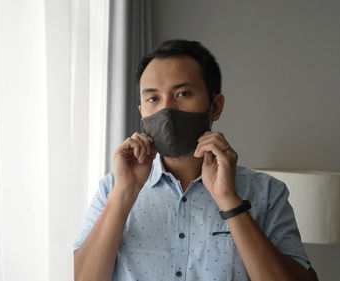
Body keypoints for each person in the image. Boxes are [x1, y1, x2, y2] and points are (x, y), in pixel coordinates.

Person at [73, 39, 318, 281]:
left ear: (215, 106)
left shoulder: (267, 193)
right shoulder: (111, 189)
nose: (166, 109)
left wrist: (229, 201)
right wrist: (124, 194)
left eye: (183, 93)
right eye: (153, 99)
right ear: (142, 112)